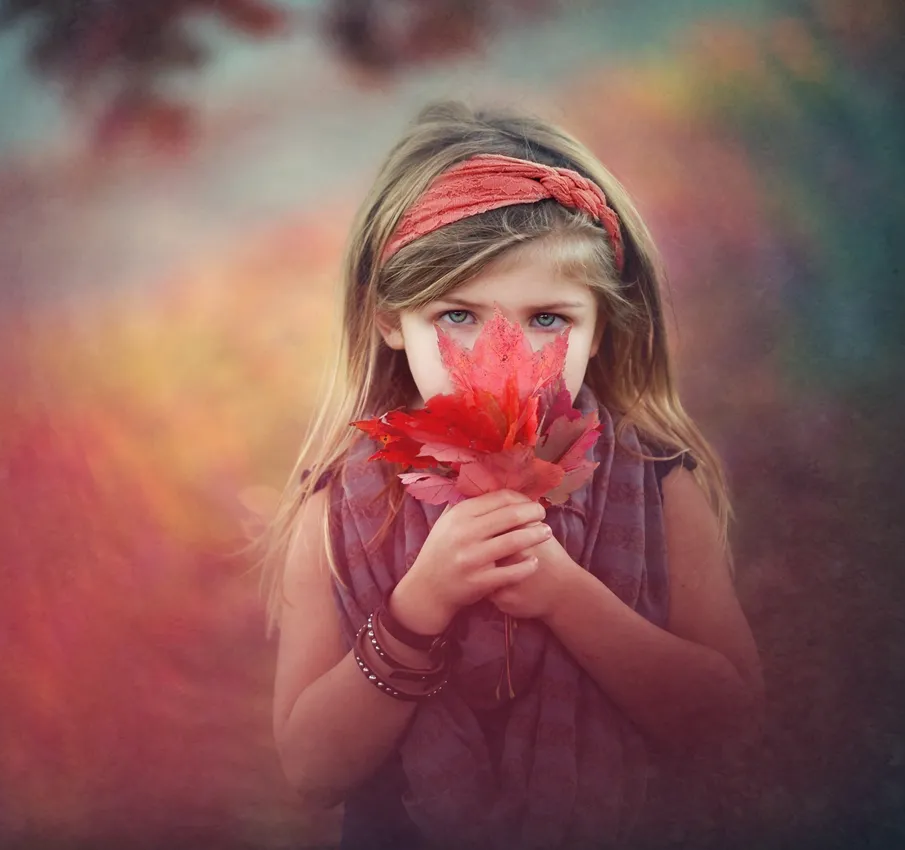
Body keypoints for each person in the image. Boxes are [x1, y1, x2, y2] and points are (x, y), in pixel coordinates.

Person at [257, 101, 765, 850]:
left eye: (548, 319)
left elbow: (728, 722)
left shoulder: (658, 483)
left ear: (602, 328)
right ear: (388, 318)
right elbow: (310, 770)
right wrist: (415, 610)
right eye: (457, 316)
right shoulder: (338, 509)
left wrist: (564, 596)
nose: (503, 355)